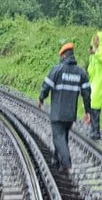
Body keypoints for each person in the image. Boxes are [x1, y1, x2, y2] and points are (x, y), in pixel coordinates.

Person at [38, 42, 91, 171]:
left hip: (57, 113)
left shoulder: (57, 69)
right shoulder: (81, 72)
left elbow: (46, 86)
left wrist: (41, 99)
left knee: (58, 137)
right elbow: (87, 93)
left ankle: (66, 162)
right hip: (70, 114)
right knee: (63, 136)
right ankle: (57, 160)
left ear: (62, 56)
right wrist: (87, 111)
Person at [87, 30, 102, 140]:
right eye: (94, 39)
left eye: (97, 39)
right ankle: (94, 130)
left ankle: (96, 131)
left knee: (95, 106)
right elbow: (91, 69)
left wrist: (96, 53)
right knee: (91, 106)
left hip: (100, 82)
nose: (95, 41)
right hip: (93, 82)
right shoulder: (93, 53)